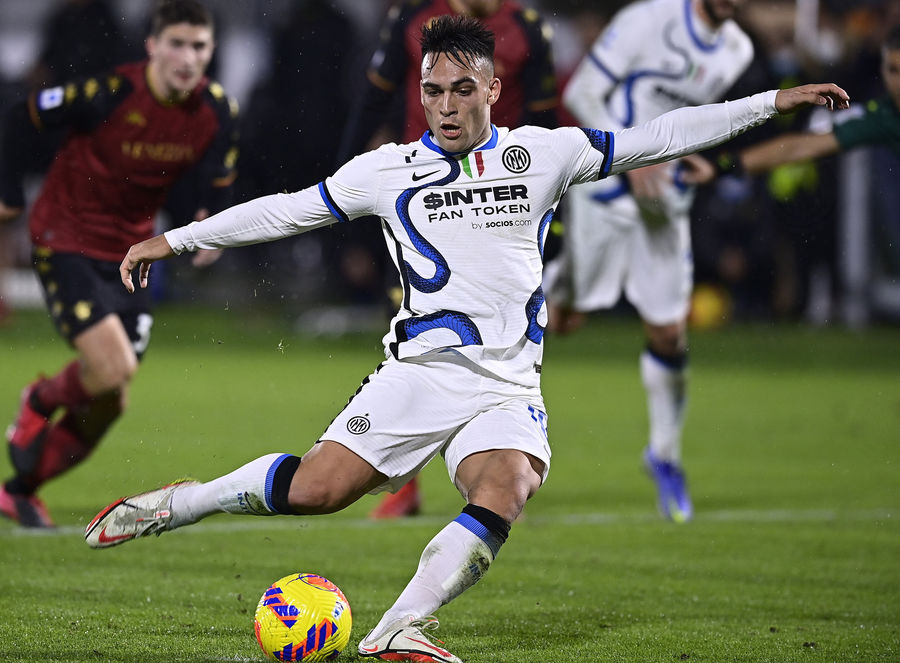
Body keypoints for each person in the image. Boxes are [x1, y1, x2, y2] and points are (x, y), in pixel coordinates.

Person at [83, 15, 847, 663]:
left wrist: (772, 101)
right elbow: (285, 209)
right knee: (317, 491)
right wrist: (175, 240)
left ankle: (397, 627)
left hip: (506, 381)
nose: (444, 107)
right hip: (419, 372)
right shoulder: (387, 171)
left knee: (508, 483)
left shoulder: (542, 153)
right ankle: (186, 501)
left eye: (460, 89)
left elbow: (662, 135)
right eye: (432, 91)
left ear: (492, 89)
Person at [0, 0, 238, 528]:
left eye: (199, 46)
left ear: (211, 52)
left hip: (133, 252)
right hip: (67, 236)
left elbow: (217, 182)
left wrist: (210, 223)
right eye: (176, 44)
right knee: (112, 369)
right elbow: (22, 114)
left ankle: (20, 490)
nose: (188, 58)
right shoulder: (110, 93)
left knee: (111, 399)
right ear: (152, 47)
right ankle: (39, 398)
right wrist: (9, 194)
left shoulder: (217, 110)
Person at [339, 0, 560, 519]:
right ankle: (403, 477)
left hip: (502, 205)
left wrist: (554, 218)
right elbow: (373, 103)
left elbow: (546, 122)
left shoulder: (526, 28)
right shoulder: (413, 16)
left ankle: (490, 451)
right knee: (416, 324)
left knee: (498, 331)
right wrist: (347, 199)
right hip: (421, 200)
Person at [542, 0, 755, 523]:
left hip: (665, 201)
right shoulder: (648, 19)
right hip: (608, 191)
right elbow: (581, 93)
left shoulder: (738, 50)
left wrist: (697, 154)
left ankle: (665, 455)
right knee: (563, 321)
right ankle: (541, 295)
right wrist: (631, 155)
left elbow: (695, 119)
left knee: (669, 332)